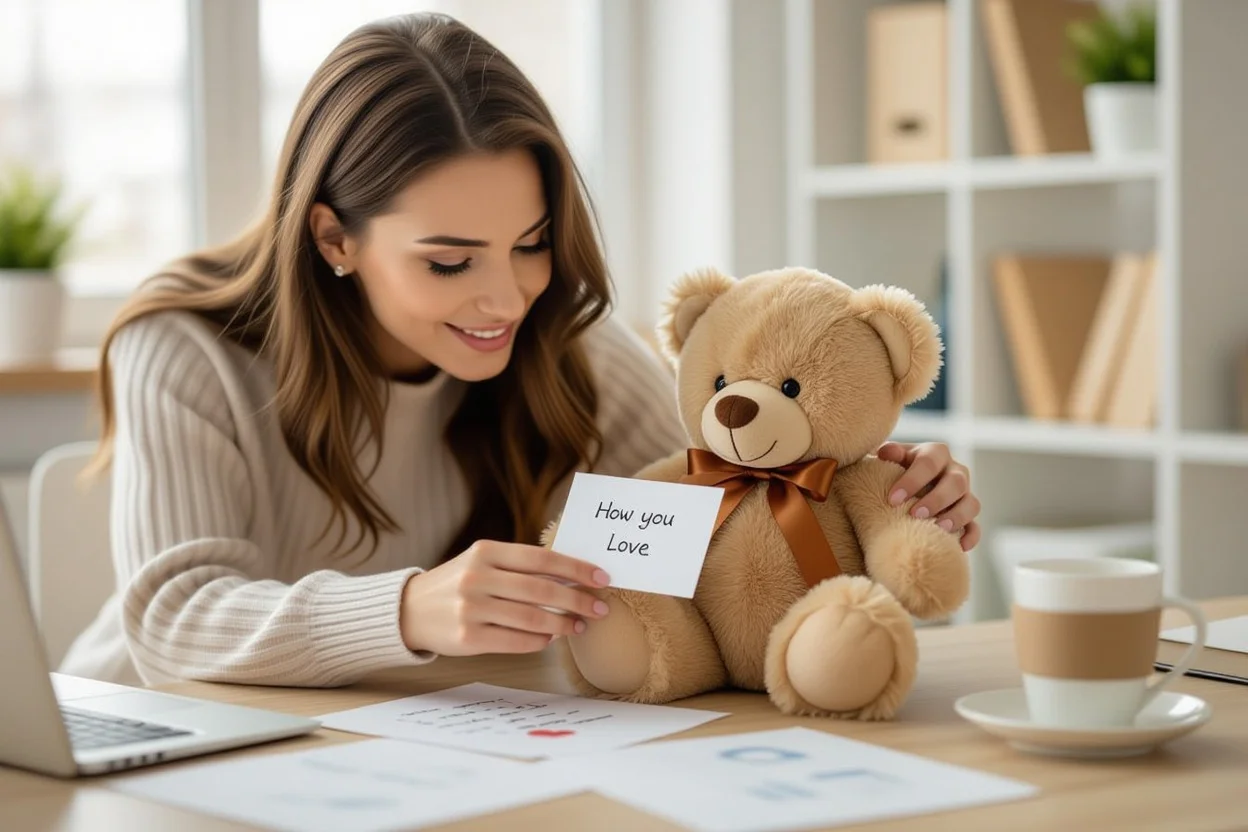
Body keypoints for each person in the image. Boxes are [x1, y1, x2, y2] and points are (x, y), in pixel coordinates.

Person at [59, 12, 981, 689]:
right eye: (450, 261)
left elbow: (722, 529)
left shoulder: (566, 349)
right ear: (335, 238)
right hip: (152, 749)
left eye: (531, 244)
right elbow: (171, 621)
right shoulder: (184, 352)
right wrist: (411, 608)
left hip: (399, 751)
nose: (504, 298)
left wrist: (878, 496)